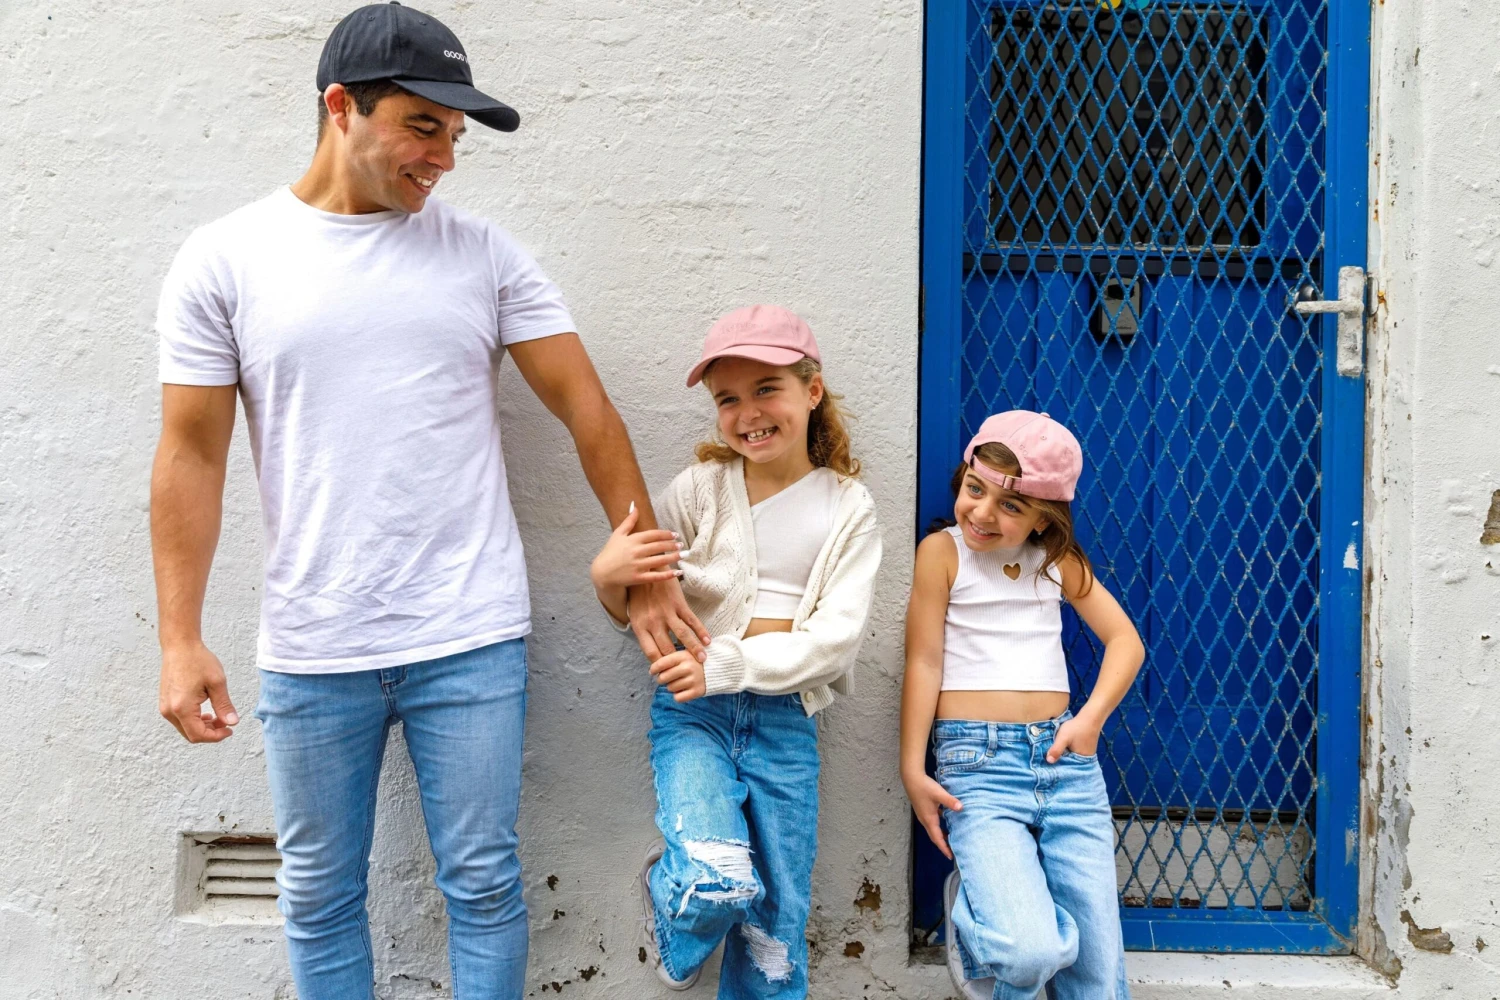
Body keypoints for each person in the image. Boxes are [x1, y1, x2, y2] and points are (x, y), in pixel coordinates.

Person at [149, 5, 706, 998]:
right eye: (423, 126)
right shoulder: (225, 260)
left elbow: (589, 413)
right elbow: (191, 455)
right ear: (340, 108)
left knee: (485, 883)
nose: (445, 157)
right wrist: (180, 636)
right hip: (316, 644)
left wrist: (650, 567)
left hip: (471, 633)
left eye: (454, 136)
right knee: (318, 891)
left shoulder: (485, 255)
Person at [588, 305, 882, 997]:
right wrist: (608, 581)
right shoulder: (699, 492)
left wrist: (729, 663)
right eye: (728, 399)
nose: (748, 412)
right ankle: (673, 910)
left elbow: (835, 644)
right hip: (695, 718)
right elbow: (645, 594)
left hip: (785, 724)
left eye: (766, 389)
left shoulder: (848, 506)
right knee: (718, 881)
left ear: (812, 390)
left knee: (774, 925)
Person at [899, 411, 1145, 1000]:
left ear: (1044, 519)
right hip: (977, 769)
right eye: (974, 489)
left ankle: (1008, 924)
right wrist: (913, 769)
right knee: (1030, 953)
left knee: (1096, 981)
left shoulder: (1056, 561)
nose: (982, 513)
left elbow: (1126, 642)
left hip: (1065, 762)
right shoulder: (943, 552)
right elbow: (923, 663)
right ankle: (990, 930)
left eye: (1010, 507)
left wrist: (1089, 722)